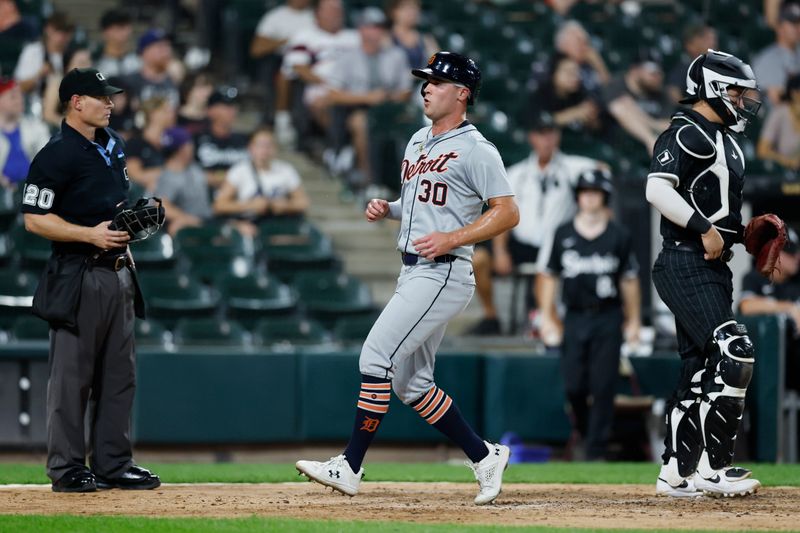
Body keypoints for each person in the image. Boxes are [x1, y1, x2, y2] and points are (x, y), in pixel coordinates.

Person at [296, 51, 519, 505]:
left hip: (443, 271)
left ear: (462, 94)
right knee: (411, 384)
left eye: (437, 81)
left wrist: (454, 237)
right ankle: (483, 454)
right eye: (425, 80)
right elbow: (424, 204)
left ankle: (350, 465)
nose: (426, 87)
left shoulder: (477, 149)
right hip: (414, 270)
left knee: (375, 357)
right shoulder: (417, 140)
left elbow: (507, 211)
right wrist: (390, 209)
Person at [20, 67, 160, 492]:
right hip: (78, 273)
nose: (111, 102)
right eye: (101, 97)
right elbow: (33, 220)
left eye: (111, 96)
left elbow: (111, 206)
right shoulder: (56, 153)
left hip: (118, 270)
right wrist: (89, 234)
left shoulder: (113, 144)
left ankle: (113, 463)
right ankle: (66, 468)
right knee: (71, 379)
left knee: (120, 376)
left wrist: (125, 232)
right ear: (76, 102)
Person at [645, 49, 763, 497]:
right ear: (713, 88)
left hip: (711, 265)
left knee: (699, 371)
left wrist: (738, 231)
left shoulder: (725, 138)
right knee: (735, 350)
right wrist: (705, 228)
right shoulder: (687, 132)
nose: (742, 99)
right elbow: (657, 189)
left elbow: (713, 201)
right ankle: (716, 468)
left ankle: (675, 472)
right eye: (735, 90)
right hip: (684, 258)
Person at [537, 169, 641, 461]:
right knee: (573, 385)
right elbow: (550, 276)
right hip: (575, 315)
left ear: (604, 197)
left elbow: (629, 280)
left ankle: (596, 449)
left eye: (595, 192)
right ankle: (584, 433)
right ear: (578, 197)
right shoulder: (563, 233)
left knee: (604, 384)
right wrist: (547, 316)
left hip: (608, 316)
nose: (590, 198)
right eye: (584, 192)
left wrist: (632, 320)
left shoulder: (619, 235)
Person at [468, 112, 600, 336]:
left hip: (557, 244)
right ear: (532, 138)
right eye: (541, 134)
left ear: (557, 137)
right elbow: (502, 213)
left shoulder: (572, 168)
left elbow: (602, 170)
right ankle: (492, 317)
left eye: (550, 134)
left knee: (550, 262)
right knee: (478, 258)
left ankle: (549, 320)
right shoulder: (516, 173)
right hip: (521, 243)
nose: (546, 140)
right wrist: (500, 251)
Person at [326, 7, 412, 192]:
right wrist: (367, 97)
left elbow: (405, 90)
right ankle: (369, 180)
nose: (377, 32)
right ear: (362, 29)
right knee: (361, 123)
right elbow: (332, 94)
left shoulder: (396, 55)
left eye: (380, 27)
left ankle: (413, 186)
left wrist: (388, 96)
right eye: (372, 27)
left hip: (390, 110)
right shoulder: (348, 57)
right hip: (359, 108)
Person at [739, 229, 800, 391]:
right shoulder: (754, 278)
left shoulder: (796, 285)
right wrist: (788, 308)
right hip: (758, 364)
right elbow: (746, 306)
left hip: (791, 363)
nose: (797, 257)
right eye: (791, 253)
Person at [213, 127, 309, 222]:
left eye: (269, 145)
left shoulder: (286, 170)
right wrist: (250, 205)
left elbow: (303, 202)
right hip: (252, 222)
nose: (265, 150)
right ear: (251, 148)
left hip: (279, 221)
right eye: (260, 145)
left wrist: (285, 206)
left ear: (275, 148)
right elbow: (219, 205)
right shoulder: (239, 171)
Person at [602, 53, 673, 156]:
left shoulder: (660, 93)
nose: (658, 77)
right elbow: (618, 109)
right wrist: (650, 137)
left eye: (660, 73)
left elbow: (669, 124)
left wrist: (649, 121)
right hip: (620, 147)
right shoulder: (617, 85)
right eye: (653, 73)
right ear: (635, 70)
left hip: (652, 149)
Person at [154, 126, 213, 235]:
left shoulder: (193, 167)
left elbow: (210, 179)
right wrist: (187, 219)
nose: (192, 146)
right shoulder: (169, 175)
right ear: (182, 148)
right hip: (190, 224)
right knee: (177, 227)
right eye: (189, 143)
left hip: (208, 220)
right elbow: (160, 206)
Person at [194, 87, 249, 189]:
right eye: (226, 106)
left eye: (234, 105)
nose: (233, 110)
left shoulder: (244, 140)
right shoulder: (196, 140)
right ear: (210, 110)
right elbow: (190, 175)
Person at [0, 77, 50, 189]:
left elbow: (49, 160)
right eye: (13, 97)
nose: (19, 100)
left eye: (20, 95)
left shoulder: (36, 127)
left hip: (34, 190)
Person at [752, 2, 800, 106]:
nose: (798, 27)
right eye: (793, 23)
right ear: (780, 26)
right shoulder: (765, 61)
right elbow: (771, 102)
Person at [666, 23, 718, 105]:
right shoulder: (684, 67)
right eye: (705, 39)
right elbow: (673, 92)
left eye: (712, 39)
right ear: (690, 45)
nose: (712, 43)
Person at [757, 73, 800, 169]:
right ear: (794, 93)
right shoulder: (779, 113)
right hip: (784, 175)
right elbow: (762, 150)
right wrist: (786, 161)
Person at [387, 0, 439, 69]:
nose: (412, 12)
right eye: (406, 7)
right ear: (394, 11)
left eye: (415, 7)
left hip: (423, 79)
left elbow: (437, 67)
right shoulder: (385, 38)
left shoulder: (427, 39)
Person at [93, 9, 141, 79]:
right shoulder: (95, 63)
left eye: (128, 27)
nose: (126, 32)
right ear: (106, 31)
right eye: (120, 27)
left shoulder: (138, 61)